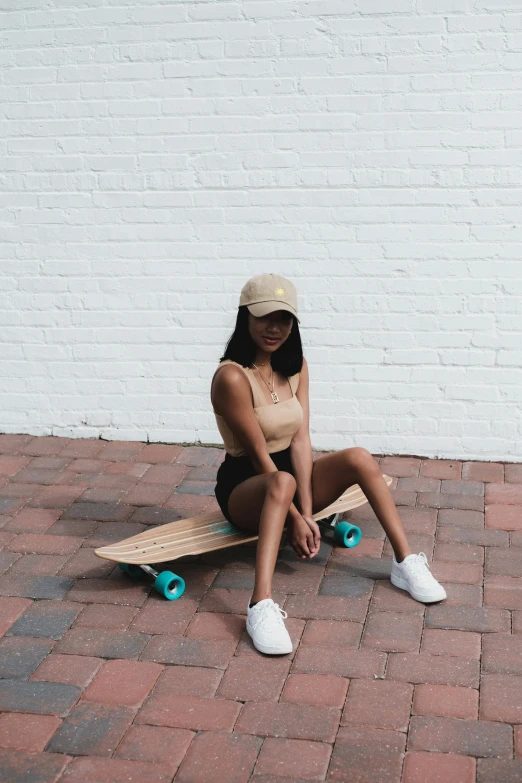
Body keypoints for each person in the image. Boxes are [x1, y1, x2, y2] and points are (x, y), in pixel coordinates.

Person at [211, 273, 446, 655]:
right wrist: (296, 517)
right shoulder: (232, 377)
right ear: (245, 318)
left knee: (358, 457)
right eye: (264, 317)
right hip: (246, 485)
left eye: (284, 319)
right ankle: (260, 605)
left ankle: (405, 563)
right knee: (281, 480)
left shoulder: (296, 365)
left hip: (290, 480)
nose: (275, 328)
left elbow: (301, 439)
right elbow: (258, 457)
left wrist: (306, 513)